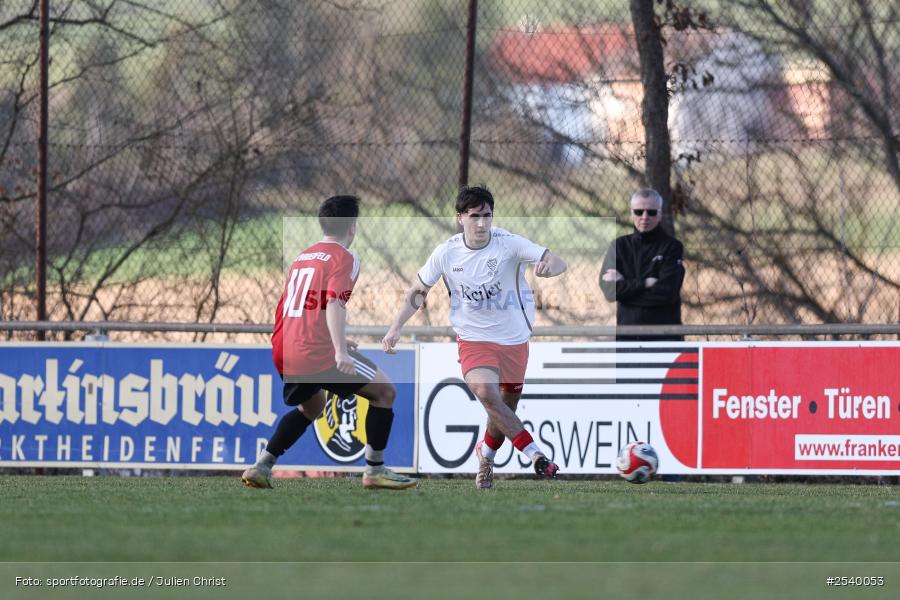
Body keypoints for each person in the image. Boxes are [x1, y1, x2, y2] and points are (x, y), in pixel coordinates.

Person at [382, 186, 568, 489]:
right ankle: (535, 455)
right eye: (474, 217)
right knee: (485, 391)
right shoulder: (446, 252)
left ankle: (487, 454)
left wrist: (550, 268)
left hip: (514, 339)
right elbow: (418, 291)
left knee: (502, 407)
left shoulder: (508, 244)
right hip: (473, 338)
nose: (482, 224)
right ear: (459, 218)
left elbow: (557, 260)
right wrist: (395, 327)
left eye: (487, 216)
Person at [242, 195, 418, 490]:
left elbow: (299, 306)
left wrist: (335, 339)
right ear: (352, 227)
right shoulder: (345, 258)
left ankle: (261, 466)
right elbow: (335, 303)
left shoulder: (303, 256)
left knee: (313, 407)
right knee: (385, 392)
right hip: (315, 352)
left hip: (285, 347)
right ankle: (375, 471)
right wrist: (338, 350)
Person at [599, 188, 685, 341]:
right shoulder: (619, 246)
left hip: (665, 339)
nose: (645, 217)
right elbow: (610, 292)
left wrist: (625, 288)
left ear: (659, 214)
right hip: (628, 339)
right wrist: (645, 283)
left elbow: (668, 294)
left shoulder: (672, 247)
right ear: (631, 213)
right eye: (639, 212)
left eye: (651, 212)